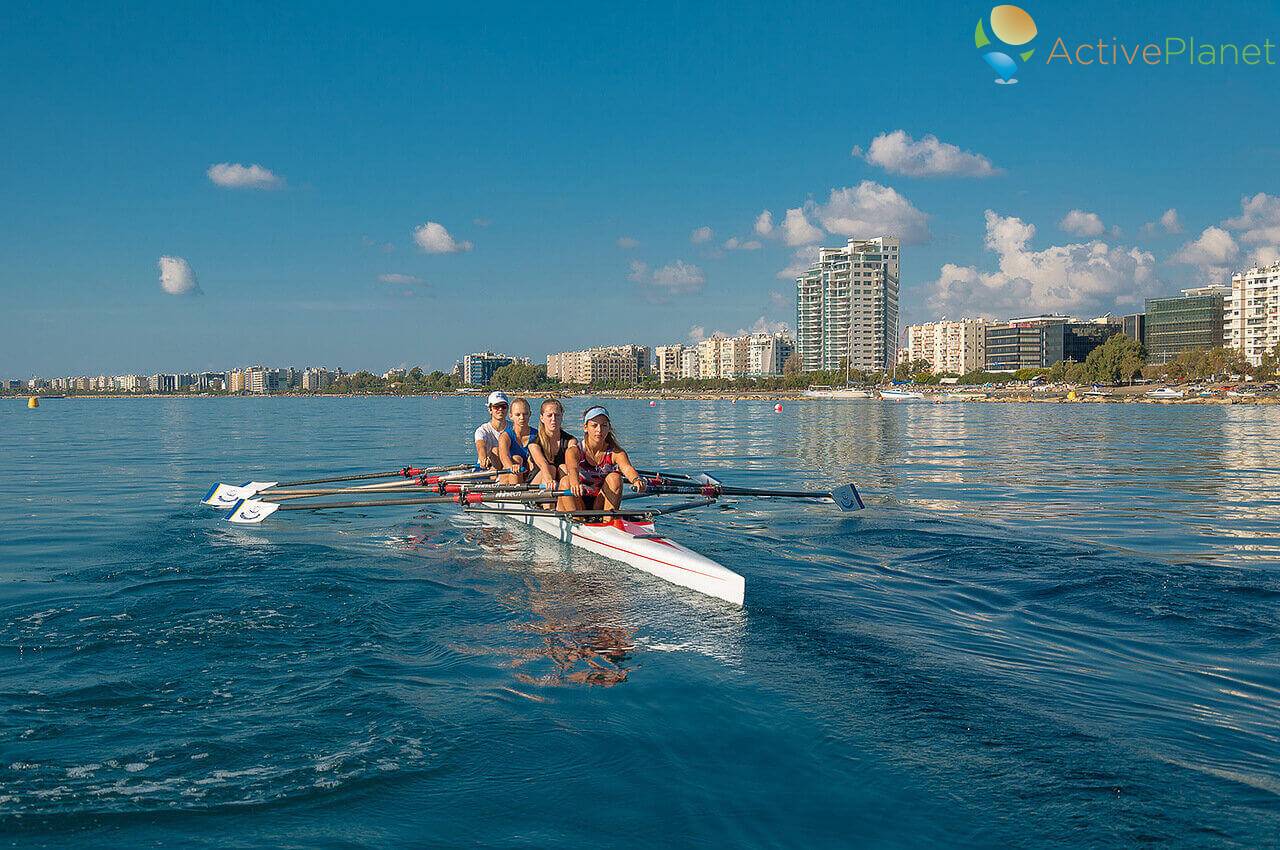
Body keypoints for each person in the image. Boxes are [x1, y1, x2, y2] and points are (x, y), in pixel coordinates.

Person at [565, 405, 646, 513]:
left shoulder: (616, 453)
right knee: (565, 481)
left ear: (609, 428)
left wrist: (637, 480)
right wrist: (575, 483)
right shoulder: (574, 451)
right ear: (585, 427)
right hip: (578, 498)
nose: (599, 430)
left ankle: (609, 520)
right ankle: (575, 520)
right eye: (594, 425)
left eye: (604, 425)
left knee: (615, 478)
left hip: (601, 501)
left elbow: (627, 468)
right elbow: (572, 469)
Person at [528, 398, 578, 507]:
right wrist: (549, 479)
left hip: (560, 486)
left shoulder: (571, 441)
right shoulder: (534, 443)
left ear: (562, 417)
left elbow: (573, 463)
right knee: (550, 468)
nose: (553, 419)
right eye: (549, 415)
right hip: (537, 486)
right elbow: (543, 464)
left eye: (557, 415)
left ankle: (568, 507)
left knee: (564, 467)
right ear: (542, 418)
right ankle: (548, 508)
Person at [497, 397, 538, 484]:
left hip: (530, 474)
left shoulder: (537, 435)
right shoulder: (505, 436)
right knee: (517, 459)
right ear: (511, 416)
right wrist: (512, 467)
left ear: (530, 414)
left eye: (525, 414)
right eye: (518, 415)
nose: (522, 417)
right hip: (511, 475)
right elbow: (504, 457)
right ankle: (514, 492)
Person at [474, 391, 510, 471]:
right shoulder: (482, 430)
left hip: (508, 467)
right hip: (486, 469)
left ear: (507, 409)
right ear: (490, 409)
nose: (500, 409)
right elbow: (481, 446)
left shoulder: (514, 428)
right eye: (496, 407)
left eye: (503, 406)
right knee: (495, 450)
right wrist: (483, 458)